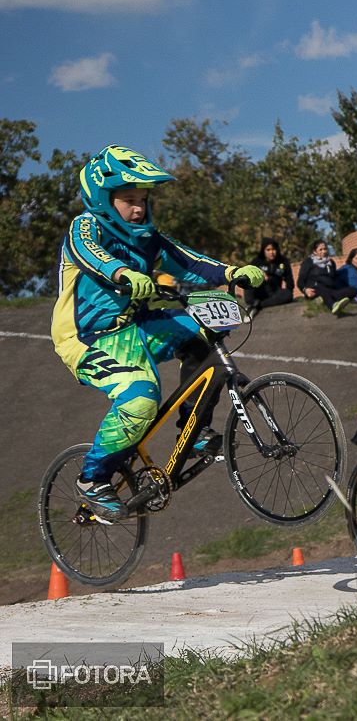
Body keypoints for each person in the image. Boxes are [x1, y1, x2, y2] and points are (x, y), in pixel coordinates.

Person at [52, 145, 265, 520]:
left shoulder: (148, 237)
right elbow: (91, 255)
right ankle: (92, 479)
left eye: (143, 199)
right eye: (129, 199)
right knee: (140, 401)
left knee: (207, 340)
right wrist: (124, 274)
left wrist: (232, 272)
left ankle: (194, 429)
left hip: (138, 326)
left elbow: (188, 262)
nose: (139, 207)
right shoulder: (85, 226)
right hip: (87, 338)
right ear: (104, 198)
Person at [298, 239, 354, 316]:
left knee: (353, 290)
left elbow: (334, 278)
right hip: (315, 289)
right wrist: (305, 290)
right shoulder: (308, 262)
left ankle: (324, 299)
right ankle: (333, 305)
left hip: (330, 290)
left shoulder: (331, 263)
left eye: (325, 249)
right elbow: (300, 280)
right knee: (322, 289)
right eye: (320, 250)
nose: (323, 251)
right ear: (314, 251)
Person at [245, 237, 294, 318]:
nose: (271, 252)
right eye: (268, 250)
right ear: (263, 251)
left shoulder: (283, 261)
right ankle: (251, 303)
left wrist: (289, 293)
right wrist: (260, 275)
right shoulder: (256, 261)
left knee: (288, 295)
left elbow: (289, 280)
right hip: (260, 290)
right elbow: (248, 275)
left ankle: (258, 305)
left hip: (274, 291)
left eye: (273, 249)